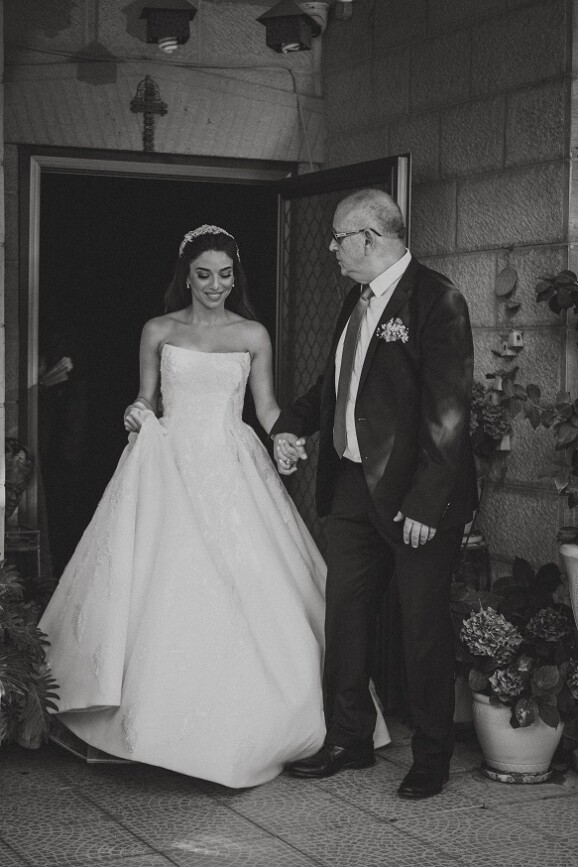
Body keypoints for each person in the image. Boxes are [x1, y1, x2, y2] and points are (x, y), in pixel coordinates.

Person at [38, 225, 389, 788]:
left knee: (250, 585)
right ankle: (155, 726)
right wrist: (135, 412)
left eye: (225, 275)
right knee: (163, 583)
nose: (215, 285)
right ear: (186, 276)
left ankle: (270, 723)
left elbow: (266, 408)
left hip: (231, 464)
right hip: (170, 467)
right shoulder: (158, 329)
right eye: (203, 275)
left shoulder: (252, 334)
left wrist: (285, 438)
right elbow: (145, 398)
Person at [272, 189, 478, 799]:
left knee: (421, 628)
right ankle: (349, 738)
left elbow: (448, 411)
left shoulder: (437, 299)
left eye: (339, 237)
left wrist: (427, 502)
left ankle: (432, 755)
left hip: (415, 498)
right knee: (347, 617)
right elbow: (335, 385)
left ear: (370, 238)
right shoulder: (355, 298)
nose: (331, 247)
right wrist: (289, 425)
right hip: (351, 489)